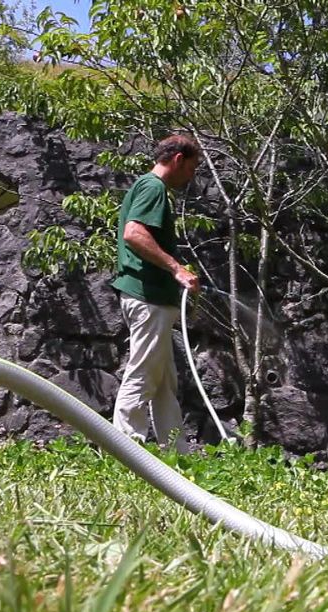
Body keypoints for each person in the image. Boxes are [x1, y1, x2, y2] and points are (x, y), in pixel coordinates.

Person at [111, 134, 202, 450]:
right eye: (192, 168)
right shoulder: (153, 188)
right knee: (142, 377)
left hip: (152, 298)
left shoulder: (145, 187)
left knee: (164, 384)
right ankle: (126, 452)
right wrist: (176, 267)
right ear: (178, 159)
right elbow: (134, 233)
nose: (191, 177)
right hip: (147, 297)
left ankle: (177, 454)